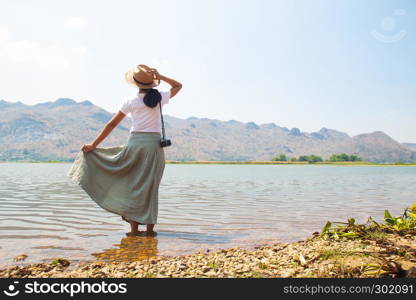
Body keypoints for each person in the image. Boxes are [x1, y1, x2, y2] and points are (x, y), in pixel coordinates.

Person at [68, 64, 182, 236]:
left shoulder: (130, 101)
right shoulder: (160, 97)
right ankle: (150, 231)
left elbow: (112, 124)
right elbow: (178, 86)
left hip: (135, 144)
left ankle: (134, 231)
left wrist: (94, 145)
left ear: (136, 83)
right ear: (153, 83)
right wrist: (161, 76)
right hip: (154, 147)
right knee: (151, 188)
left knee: (133, 186)